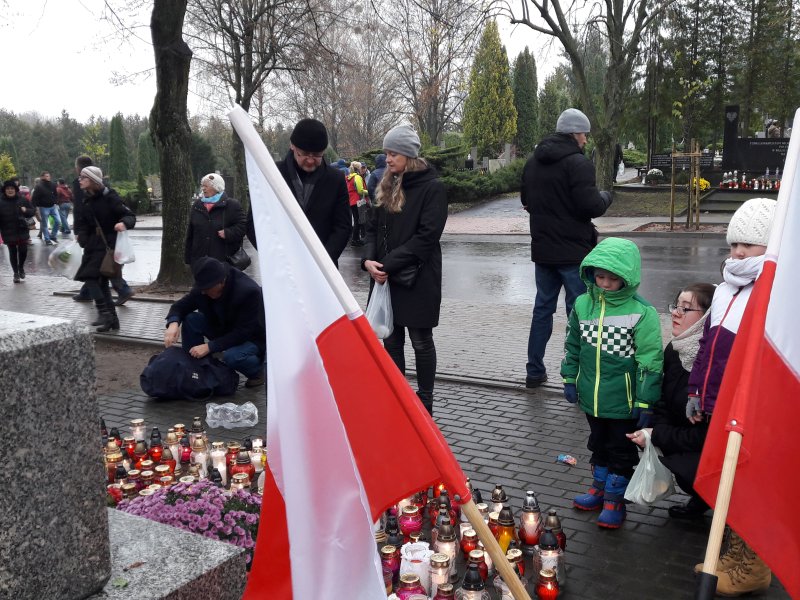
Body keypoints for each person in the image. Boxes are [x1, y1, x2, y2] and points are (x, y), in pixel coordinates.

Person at [683, 198, 776, 596]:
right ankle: (735, 554)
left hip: (753, 409)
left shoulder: (774, 292)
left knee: (751, 486)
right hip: (718, 404)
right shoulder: (724, 290)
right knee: (729, 483)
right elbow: (707, 347)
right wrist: (695, 390)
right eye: (733, 244)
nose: (737, 252)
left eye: (748, 245)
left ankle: (753, 565)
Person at [562, 237, 663, 529]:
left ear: (627, 278)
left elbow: (650, 360)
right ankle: (599, 488)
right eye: (600, 277)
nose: (605, 284)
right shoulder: (583, 304)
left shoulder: (641, 312)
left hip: (624, 400)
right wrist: (570, 377)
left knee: (620, 450)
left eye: (613, 278)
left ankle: (614, 499)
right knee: (598, 444)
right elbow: (572, 345)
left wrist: (645, 400)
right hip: (592, 397)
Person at [521, 108, 613, 388]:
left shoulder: (533, 163)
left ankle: (534, 371)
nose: (586, 140)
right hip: (574, 253)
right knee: (580, 311)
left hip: (543, 251)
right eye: (584, 134)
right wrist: (606, 197)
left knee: (542, 309)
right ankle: (580, 373)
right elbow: (591, 206)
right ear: (575, 133)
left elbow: (526, 201)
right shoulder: (578, 164)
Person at [362, 124, 447, 416]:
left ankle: (425, 401)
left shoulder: (432, 188)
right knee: (392, 340)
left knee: (421, 341)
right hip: (384, 278)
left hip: (418, 278)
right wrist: (368, 261)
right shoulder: (385, 184)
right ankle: (398, 399)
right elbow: (371, 229)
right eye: (386, 153)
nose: (388, 158)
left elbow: (427, 237)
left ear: (408, 155)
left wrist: (387, 263)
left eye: (393, 153)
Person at [626, 282, 716, 519]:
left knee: (690, 467)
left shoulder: (716, 366)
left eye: (685, 308)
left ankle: (724, 506)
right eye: (676, 306)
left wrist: (658, 434)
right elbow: (664, 400)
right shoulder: (675, 350)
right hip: (685, 434)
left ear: (707, 317)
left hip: (712, 448)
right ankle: (702, 497)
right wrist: (651, 431)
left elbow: (709, 436)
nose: (675, 313)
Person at [246, 118, 351, 266]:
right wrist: (276, 256)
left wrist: (323, 261)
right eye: (305, 153)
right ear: (292, 146)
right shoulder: (271, 174)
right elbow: (254, 222)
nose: (310, 160)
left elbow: (343, 226)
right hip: (281, 266)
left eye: (317, 155)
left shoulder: (336, 179)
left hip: (323, 268)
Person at [164, 257, 266, 388]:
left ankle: (257, 372)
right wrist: (173, 324)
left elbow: (243, 332)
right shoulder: (203, 288)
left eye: (207, 289)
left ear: (221, 282)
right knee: (190, 319)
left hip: (251, 337)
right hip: (222, 327)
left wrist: (210, 347)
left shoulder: (248, 292)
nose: (203, 292)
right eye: (201, 288)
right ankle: (195, 368)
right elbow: (179, 307)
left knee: (232, 357)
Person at [73, 166, 136, 332]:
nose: (80, 180)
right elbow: (84, 223)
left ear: (93, 180)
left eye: (83, 177)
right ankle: (112, 320)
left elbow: (129, 215)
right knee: (100, 282)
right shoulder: (87, 199)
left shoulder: (110, 197)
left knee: (91, 278)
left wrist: (124, 223)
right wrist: (82, 237)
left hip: (108, 245)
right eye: (80, 177)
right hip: (92, 246)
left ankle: (104, 313)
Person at [185, 173, 246, 266]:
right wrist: (188, 258)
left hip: (223, 261)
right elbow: (191, 233)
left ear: (216, 188)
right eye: (202, 186)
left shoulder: (232, 205)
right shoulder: (197, 205)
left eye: (206, 186)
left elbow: (243, 226)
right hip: (200, 261)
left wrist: (228, 233)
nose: (203, 189)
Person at [0, 179, 35, 282]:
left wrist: (26, 210)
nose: (10, 190)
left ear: (15, 189)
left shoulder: (22, 199)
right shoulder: (1, 201)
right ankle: (16, 273)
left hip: (22, 229)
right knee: (12, 252)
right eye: (7, 189)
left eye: (12, 188)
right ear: (4, 190)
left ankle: (21, 267)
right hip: (8, 230)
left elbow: (32, 211)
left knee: (23, 250)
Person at [31, 171, 62, 245]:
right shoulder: (39, 186)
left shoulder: (53, 184)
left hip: (53, 206)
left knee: (58, 221)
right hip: (44, 207)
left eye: (49, 176)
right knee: (45, 224)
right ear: (42, 177)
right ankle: (47, 239)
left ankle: (53, 236)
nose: (48, 177)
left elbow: (55, 194)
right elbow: (34, 198)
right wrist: (36, 206)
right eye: (46, 176)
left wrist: (55, 201)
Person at [346, 161, 368, 246]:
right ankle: (355, 240)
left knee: (356, 220)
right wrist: (368, 191)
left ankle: (355, 239)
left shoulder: (349, 177)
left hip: (351, 201)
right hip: (358, 201)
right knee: (359, 220)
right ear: (358, 168)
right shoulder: (357, 177)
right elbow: (360, 190)